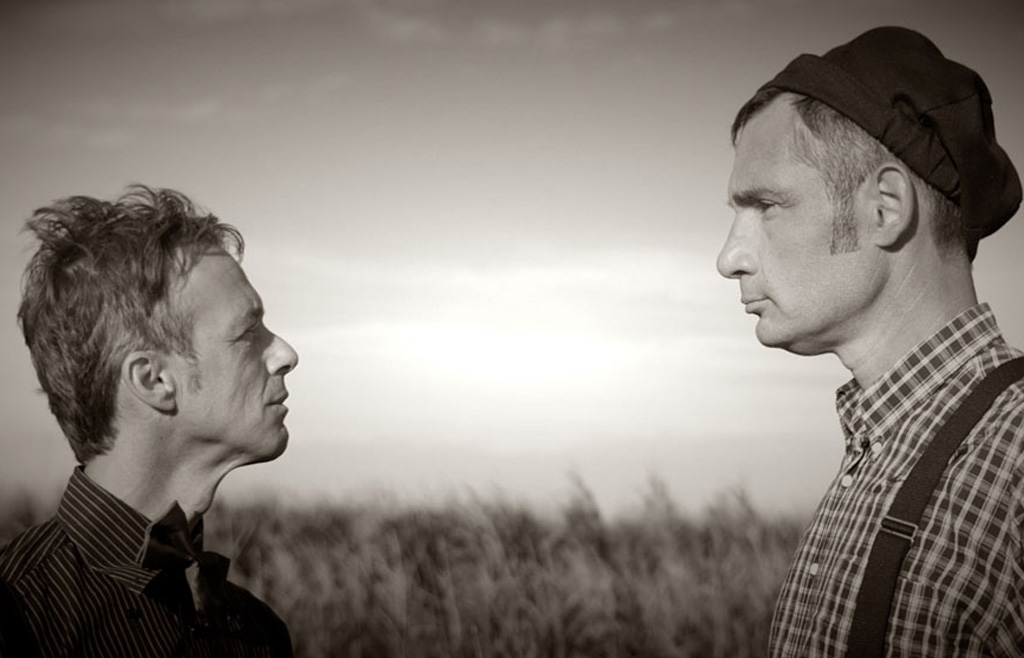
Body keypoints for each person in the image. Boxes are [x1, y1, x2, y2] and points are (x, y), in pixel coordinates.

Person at [717, 27, 1024, 657]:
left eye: (767, 206)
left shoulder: (1015, 462)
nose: (729, 258)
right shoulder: (875, 451)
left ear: (884, 208)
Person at [0, 186, 299, 657]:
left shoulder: (257, 630)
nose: (285, 353)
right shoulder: (16, 619)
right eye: (247, 332)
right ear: (154, 380)